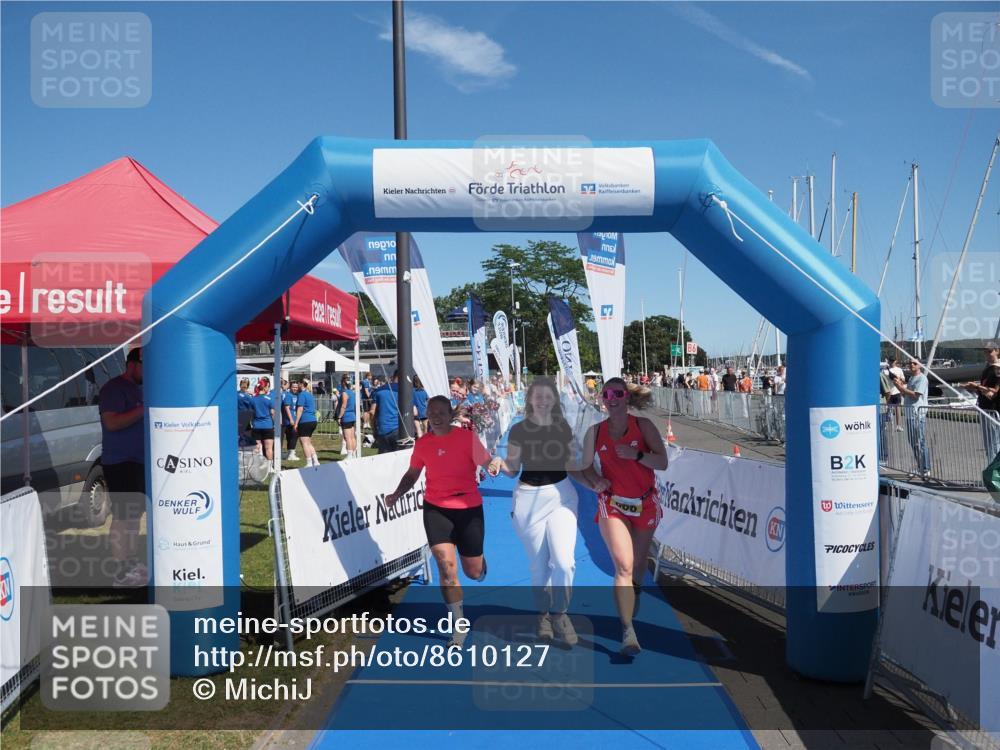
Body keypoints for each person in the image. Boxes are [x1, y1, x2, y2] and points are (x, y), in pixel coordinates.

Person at [385, 396, 497, 647]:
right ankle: (459, 625)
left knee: (473, 571)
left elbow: (486, 462)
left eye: (441, 412)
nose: (436, 416)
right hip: (436, 509)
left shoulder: (466, 438)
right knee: (446, 567)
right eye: (431, 412)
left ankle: (479, 563)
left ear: (450, 414)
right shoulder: (423, 444)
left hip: (468, 507)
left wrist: (494, 465)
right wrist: (396, 494)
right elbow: (413, 473)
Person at [489, 377, 582, 645]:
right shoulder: (518, 430)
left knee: (564, 562)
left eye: (547, 396)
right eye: (537, 396)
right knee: (539, 566)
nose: (542, 400)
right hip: (528, 501)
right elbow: (512, 470)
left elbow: (575, 464)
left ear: (554, 401)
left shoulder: (564, 428)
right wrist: (498, 462)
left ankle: (561, 614)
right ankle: (543, 615)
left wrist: (597, 481)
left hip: (561, 497)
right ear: (529, 400)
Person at [579, 378, 668, 655]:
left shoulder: (643, 426)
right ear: (602, 399)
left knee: (639, 562)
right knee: (624, 565)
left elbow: (662, 462)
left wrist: (636, 454)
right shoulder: (595, 432)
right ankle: (628, 632)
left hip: (645, 503)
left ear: (626, 397)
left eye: (617, 393)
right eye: (606, 394)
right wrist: (595, 480)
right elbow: (577, 467)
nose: (611, 398)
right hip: (613, 504)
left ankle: (636, 589)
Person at [99, 347, 147, 587]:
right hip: (120, 461)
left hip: (138, 461)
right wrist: (142, 408)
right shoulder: (113, 388)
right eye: (145, 367)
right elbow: (112, 423)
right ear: (133, 364)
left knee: (134, 516)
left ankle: (130, 563)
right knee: (122, 516)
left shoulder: (139, 389)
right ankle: (119, 571)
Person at [962, 341, 1000, 463]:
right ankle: (991, 472)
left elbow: (994, 391)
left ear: (997, 351)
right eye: (985, 352)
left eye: (990, 351)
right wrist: (973, 387)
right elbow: (985, 388)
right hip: (985, 408)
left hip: (993, 410)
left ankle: (994, 474)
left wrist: (977, 387)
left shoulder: (998, 368)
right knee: (989, 444)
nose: (987, 354)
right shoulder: (987, 368)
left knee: (993, 444)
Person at [893, 359, 930, 478]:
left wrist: (902, 388)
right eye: (910, 363)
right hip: (909, 414)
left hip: (917, 415)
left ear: (920, 365)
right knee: (913, 443)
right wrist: (898, 386)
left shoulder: (922, 378)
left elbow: (916, 395)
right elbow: (904, 394)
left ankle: (926, 468)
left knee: (921, 442)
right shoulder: (911, 379)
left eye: (914, 363)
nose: (912, 365)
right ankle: (920, 467)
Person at [370, 371, 401, 453]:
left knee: (383, 460)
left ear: (393, 377)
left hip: (383, 429)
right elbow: (414, 412)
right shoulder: (404, 391)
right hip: (398, 429)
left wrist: (374, 429)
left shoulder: (379, 390)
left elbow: (372, 412)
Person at [293, 380, 320, 466]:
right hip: (312, 420)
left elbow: (300, 409)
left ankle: (309, 463)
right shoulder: (309, 394)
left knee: (304, 442)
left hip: (305, 420)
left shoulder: (302, 395)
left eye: (298, 384)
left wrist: (296, 423)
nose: (297, 387)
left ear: (302, 385)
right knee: (308, 442)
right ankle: (315, 461)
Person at [251, 376, 276, 460]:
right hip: (267, 426)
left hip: (256, 426)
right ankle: (270, 468)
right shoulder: (269, 399)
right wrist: (275, 424)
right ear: (265, 387)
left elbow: (251, 413)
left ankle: (257, 466)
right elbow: (273, 413)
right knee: (268, 448)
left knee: (257, 448)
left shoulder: (253, 399)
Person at [337, 374, 358, 456]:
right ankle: (354, 454)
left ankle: (349, 455)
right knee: (352, 437)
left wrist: (339, 417)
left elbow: (343, 406)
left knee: (348, 438)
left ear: (343, 383)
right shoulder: (352, 393)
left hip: (347, 417)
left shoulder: (345, 393)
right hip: (352, 416)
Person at [281, 379, 299, 462]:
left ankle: (290, 453)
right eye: (293, 387)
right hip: (290, 421)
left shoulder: (297, 395)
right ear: (290, 387)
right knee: (292, 437)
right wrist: (291, 419)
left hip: (296, 419)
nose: (295, 388)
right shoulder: (288, 395)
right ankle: (291, 454)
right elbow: (287, 408)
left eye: (296, 387)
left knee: (292, 437)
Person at [237, 377, 254, 447]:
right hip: (244, 418)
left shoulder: (235, 394)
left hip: (239, 417)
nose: (244, 386)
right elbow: (251, 408)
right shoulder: (248, 397)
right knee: (245, 435)